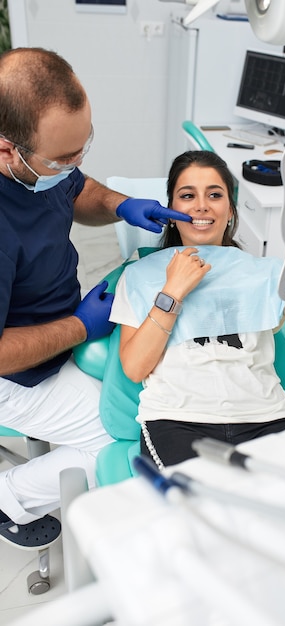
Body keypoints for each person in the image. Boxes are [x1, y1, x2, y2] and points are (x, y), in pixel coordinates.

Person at [0, 47, 191, 547]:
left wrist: (120, 204)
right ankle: (10, 496)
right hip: (17, 375)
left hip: (63, 328)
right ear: (6, 150)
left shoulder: (40, 167)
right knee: (121, 438)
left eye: (83, 147)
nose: (76, 164)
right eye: (63, 157)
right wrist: (82, 327)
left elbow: (75, 187)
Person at [110, 150, 285, 469]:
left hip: (268, 417)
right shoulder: (139, 274)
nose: (201, 205)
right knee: (207, 514)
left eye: (214, 195)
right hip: (179, 421)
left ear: (230, 209)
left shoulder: (262, 271)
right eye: (187, 195)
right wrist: (172, 292)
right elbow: (134, 367)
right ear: (172, 209)